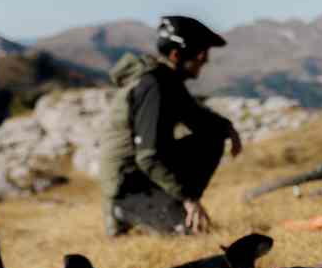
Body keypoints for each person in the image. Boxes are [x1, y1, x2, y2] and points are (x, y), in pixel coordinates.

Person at [100, 16, 242, 236]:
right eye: (200, 53)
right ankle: (123, 213)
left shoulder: (167, 81)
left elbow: (197, 117)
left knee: (213, 135)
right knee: (193, 234)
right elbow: (148, 157)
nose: (204, 59)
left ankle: (170, 203)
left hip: (140, 174)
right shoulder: (155, 87)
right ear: (176, 55)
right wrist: (189, 198)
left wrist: (227, 128)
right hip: (128, 185)